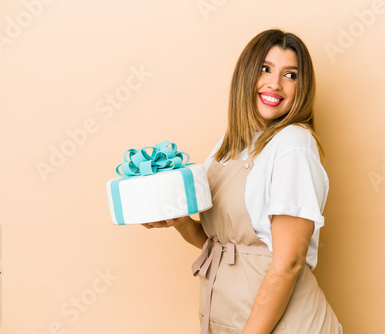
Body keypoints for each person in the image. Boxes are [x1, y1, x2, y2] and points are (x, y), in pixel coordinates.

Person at [143, 28, 343, 334]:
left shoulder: (293, 143)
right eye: (265, 69)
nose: (275, 84)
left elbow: (288, 264)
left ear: (302, 87)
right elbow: (219, 247)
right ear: (246, 75)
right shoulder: (230, 143)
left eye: (290, 75)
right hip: (229, 318)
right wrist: (180, 221)